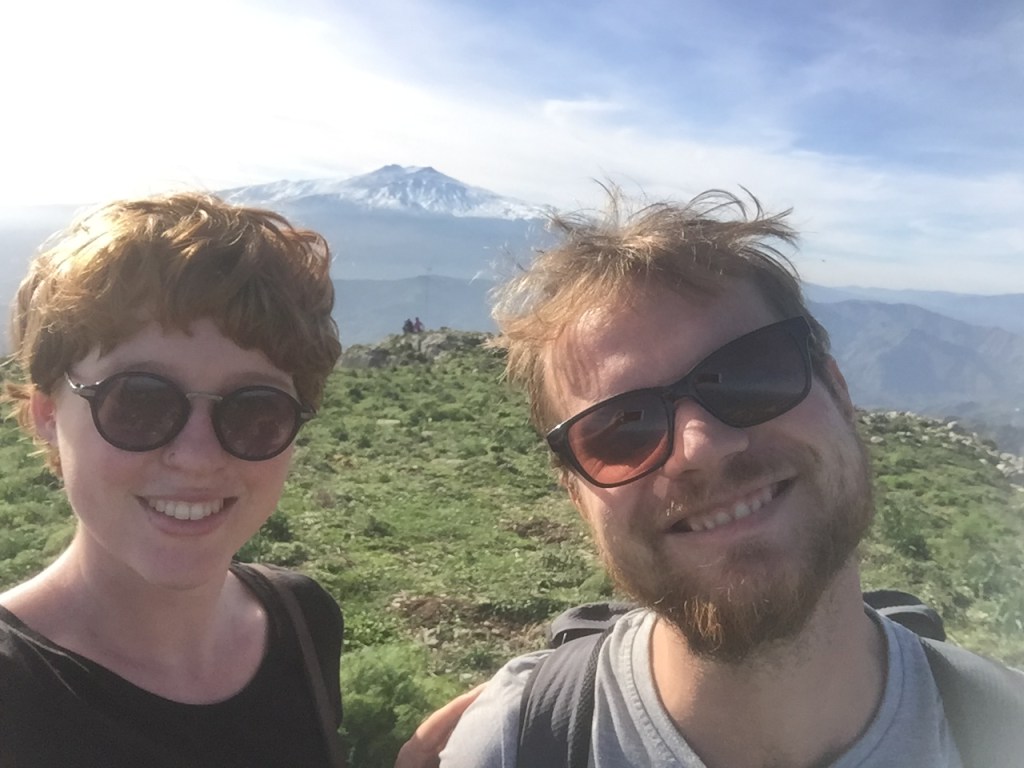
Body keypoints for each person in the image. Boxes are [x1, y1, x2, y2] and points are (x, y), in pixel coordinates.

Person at [440, 190, 1024, 767]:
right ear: (577, 494)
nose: (701, 448)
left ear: (840, 394)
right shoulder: (513, 746)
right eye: (621, 430)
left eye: (749, 375)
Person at [0, 192, 470, 768]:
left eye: (255, 411)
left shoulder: (301, 621)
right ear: (47, 413)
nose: (198, 457)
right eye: (139, 402)